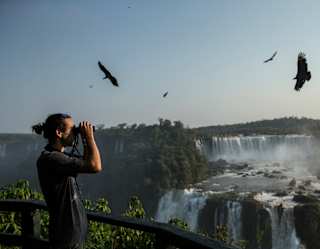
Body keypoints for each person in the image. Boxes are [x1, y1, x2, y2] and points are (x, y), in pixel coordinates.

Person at [32, 113, 102, 249]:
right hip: (65, 239)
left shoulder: (59, 158)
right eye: (72, 130)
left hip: (69, 237)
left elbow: (86, 162)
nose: (74, 134)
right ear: (59, 132)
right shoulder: (51, 159)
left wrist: (83, 137)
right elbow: (95, 166)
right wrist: (89, 137)